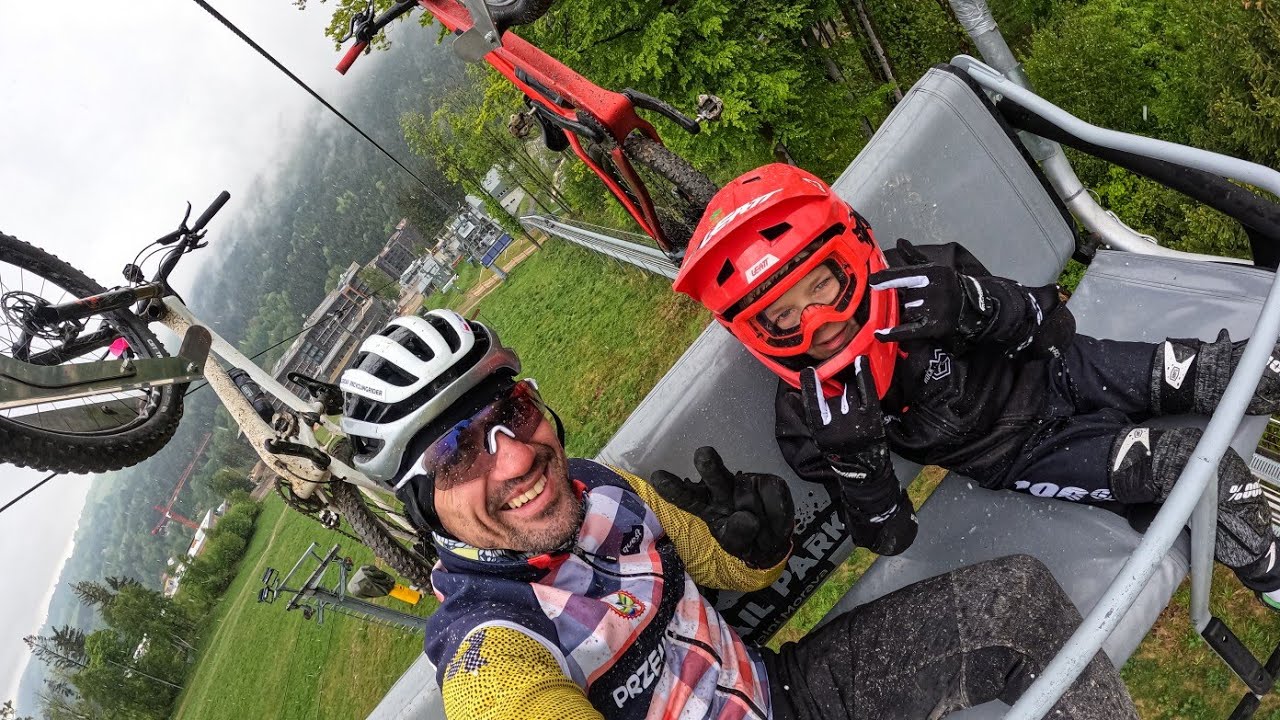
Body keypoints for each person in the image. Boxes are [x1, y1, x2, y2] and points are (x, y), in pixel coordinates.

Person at [338, 309, 1139, 719]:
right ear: (421, 506)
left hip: (789, 693)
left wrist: (755, 543)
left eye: (513, 409)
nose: (513, 456)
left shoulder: (601, 488)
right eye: (458, 453)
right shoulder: (490, 651)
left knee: (1019, 601)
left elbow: (724, 568)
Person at [672, 162, 1280, 608]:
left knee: (1219, 369)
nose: (818, 323)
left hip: (1065, 367)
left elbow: (1050, 330)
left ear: (851, 251)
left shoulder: (920, 275)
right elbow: (890, 535)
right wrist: (857, 463)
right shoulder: (808, 418)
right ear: (755, 332)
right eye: (782, 316)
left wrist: (975, 304)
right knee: (1189, 469)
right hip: (1021, 454)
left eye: (821, 287)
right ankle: (1272, 573)